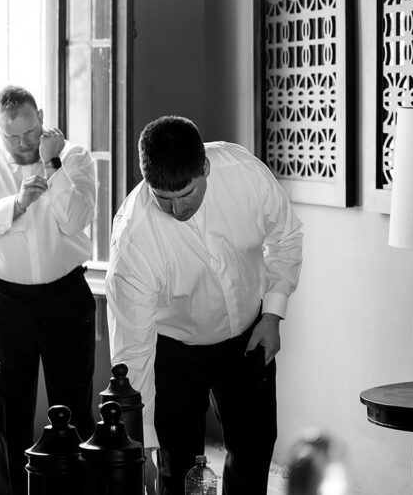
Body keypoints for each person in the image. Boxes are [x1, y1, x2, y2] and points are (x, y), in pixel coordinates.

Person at [106, 115, 303, 495]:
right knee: (177, 463)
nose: (177, 210)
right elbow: (134, 350)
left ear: (206, 168)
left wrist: (273, 314)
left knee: (255, 446)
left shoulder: (244, 174)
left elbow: (285, 236)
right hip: (174, 352)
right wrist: (142, 444)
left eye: (187, 195)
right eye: (163, 198)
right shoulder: (133, 239)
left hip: (248, 334)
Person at [0, 85, 98, 495]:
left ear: (41, 116)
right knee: (9, 413)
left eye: (31, 133)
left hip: (66, 297)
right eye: (13, 136)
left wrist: (51, 165)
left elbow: (75, 221)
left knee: (74, 410)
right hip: (5, 300)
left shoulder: (73, 157)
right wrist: (15, 205)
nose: (23, 144)